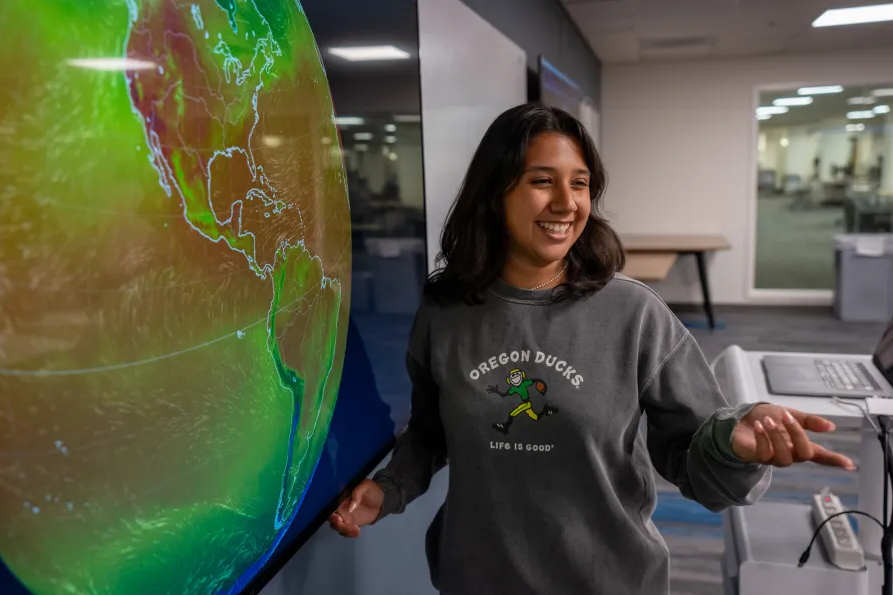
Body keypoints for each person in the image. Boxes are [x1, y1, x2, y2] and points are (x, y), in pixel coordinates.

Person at [328, 103, 855, 595]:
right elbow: (430, 430)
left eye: (580, 184)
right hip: (475, 576)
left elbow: (696, 462)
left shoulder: (634, 314)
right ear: (494, 194)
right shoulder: (445, 312)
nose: (566, 203)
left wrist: (731, 444)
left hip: (607, 580)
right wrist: (388, 488)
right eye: (541, 182)